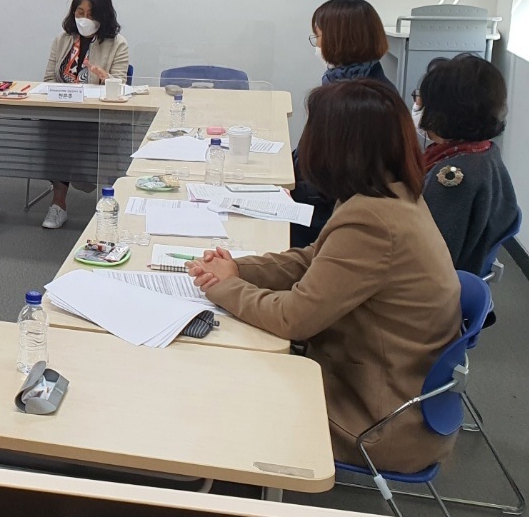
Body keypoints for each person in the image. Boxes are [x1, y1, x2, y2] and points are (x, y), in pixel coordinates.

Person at [188, 79, 461, 473]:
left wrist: (225, 286)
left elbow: (293, 318)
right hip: (390, 388)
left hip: (376, 420)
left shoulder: (373, 221)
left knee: (223, 383)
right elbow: (313, 259)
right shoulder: (391, 193)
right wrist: (239, 268)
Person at [291, 0, 396, 245]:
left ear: (339, 40)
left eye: (318, 36)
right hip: (329, 200)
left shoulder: (353, 100)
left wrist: (292, 193)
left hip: (332, 215)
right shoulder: (368, 83)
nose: (317, 44)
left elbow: (338, 176)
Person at [414, 54, 519, 275]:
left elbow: (429, 258)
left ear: (444, 113)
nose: (418, 107)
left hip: (436, 283)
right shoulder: (485, 152)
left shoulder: (452, 178)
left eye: (423, 102)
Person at [39, 0, 130, 229]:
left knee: (73, 134)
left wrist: (105, 77)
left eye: (91, 14)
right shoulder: (62, 40)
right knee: (57, 131)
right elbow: (48, 80)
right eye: (80, 13)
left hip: (98, 116)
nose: (84, 19)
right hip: (64, 113)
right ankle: (58, 205)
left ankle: (105, 204)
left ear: (103, 16)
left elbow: (121, 87)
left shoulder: (117, 44)